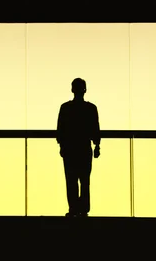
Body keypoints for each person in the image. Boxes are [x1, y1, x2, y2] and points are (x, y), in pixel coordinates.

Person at [56, 78, 101, 217]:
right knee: (84, 180)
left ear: (72, 89)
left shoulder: (66, 108)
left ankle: (74, 208)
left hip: (70, 149)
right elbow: (95, 129)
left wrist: (62, 145)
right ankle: (84, 209)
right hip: (84, 148)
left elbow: (60, 129)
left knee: (71, 180)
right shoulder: (90, 108)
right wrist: (97, 145)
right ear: (85, 90)